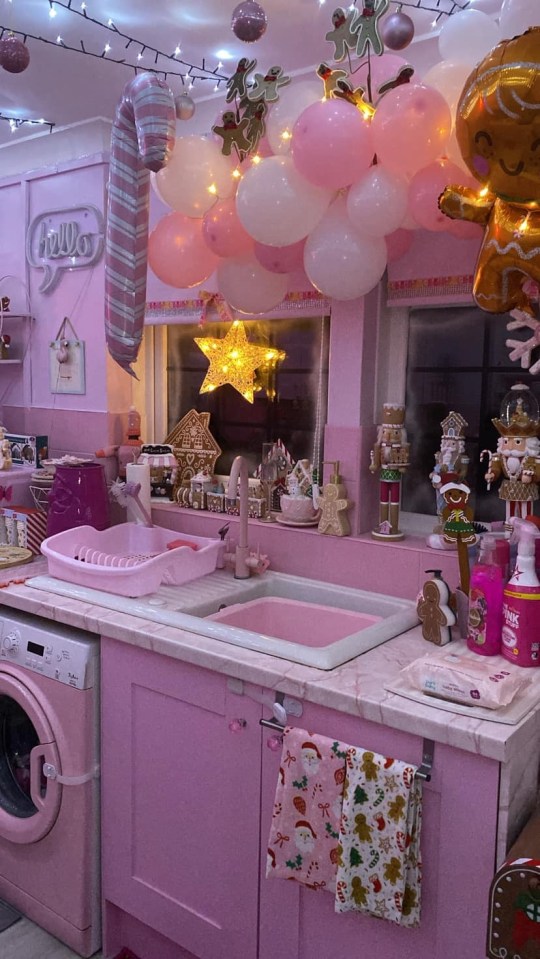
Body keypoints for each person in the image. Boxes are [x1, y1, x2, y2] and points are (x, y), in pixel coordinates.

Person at [484, 384, 540, 524]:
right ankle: (509, 533)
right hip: (509, 488)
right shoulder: (501, 456)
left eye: (517, 442)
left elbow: (538, 471)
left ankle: (525, 533)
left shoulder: (533, 458)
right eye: (507, 441)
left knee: (525, 513)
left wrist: (532, 476)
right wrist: (492, 474)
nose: (510, 446)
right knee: (510, 512)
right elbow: (496, 467)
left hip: (526, 489)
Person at [369, 403, 409, 540]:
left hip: (395, 476)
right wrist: (374, 465)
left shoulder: (401, 448)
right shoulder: (380, 447)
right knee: (384, 501)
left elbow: (404, 460)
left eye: (395, 433)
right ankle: (383, 525)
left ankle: (395, 526)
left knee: (395, 502)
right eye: (386, 433)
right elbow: (375, 461)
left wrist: (402, 466)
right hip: (384, 475)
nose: (389, 436)